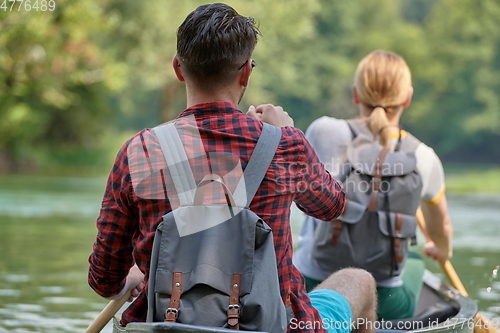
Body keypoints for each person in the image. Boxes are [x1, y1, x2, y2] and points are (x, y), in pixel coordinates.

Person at [88, 3, 377, 333]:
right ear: (246, 72)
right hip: (278, 324)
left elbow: (104, 280)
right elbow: (333, 206)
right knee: (359, 281)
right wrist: (288, 133)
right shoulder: (286, 146)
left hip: (164, 324)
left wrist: (143, 270)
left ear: (178, 68)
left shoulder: (138, 152)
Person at [293, 50, 453, 321]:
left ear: (356, 95)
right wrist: (441, 250)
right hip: (384, 302)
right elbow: (441, 228)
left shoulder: (323, 131)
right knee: (414, 258)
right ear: (407, 97)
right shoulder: (424, 157)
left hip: (311, 285)